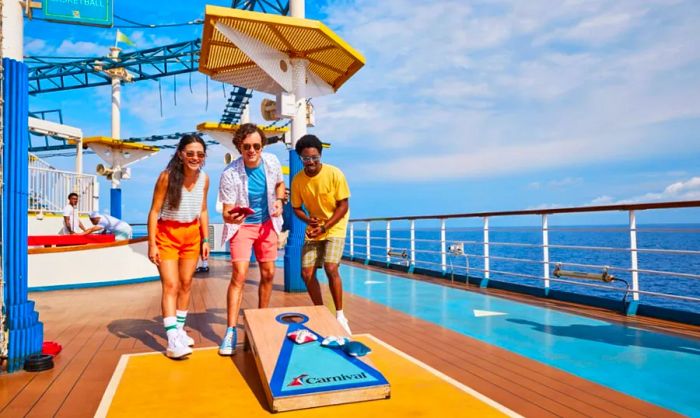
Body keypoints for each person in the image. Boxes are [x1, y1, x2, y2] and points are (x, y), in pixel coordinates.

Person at [218, 123, 285, 356]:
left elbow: (279, 184)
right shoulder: (229, 174)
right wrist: (233, 215)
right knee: (240, 275)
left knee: (268, 274)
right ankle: (230, 331)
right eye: (247, 146)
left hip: (268, 224)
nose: (252, 150)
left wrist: (279, 200)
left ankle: (262, 320)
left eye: (257, 145)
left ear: (262, 146)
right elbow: (226, 211)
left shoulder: (273, 162)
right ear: (239, 147)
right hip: (242, 226)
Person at [147, 134, 210, 359]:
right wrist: (152, 244)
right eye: (190, 153)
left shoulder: (204, 179)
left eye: (200, 154)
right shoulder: (166, 177)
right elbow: (154, 211)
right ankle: (172, 339)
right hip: (167, 234)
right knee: (171, 285)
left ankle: (180, 331)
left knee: (186, 284)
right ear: (181, 154)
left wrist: (206, 239)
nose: (195, 157)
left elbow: (203, 210)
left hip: (192, 235)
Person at [291, 134, 352, 334]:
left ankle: (340, 315)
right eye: (306, 159)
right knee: (306, 273)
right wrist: (308, 221)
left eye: (315, 158)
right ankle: (320, 311)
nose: (311, 162)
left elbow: (343, 206)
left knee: (330, 267)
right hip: (315, 227)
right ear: (300, 158)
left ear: (320, 156)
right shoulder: (298, 180)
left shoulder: (335, 174)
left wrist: (325, 227)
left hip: (335, 226)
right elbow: (296, 208)